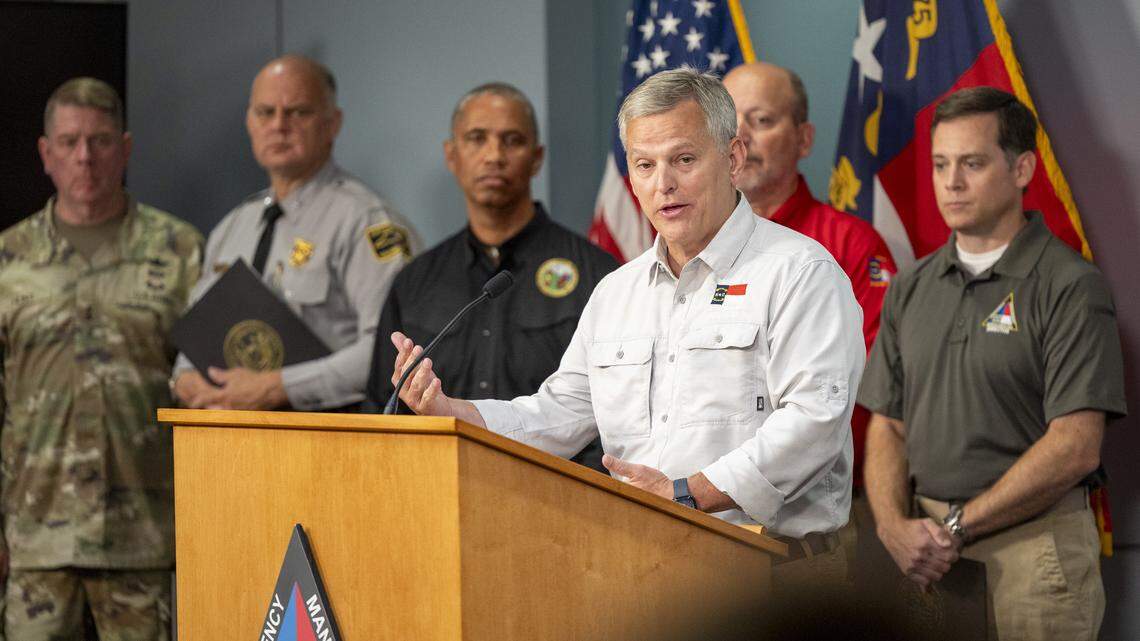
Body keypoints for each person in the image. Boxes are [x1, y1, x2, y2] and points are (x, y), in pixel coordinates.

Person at [388, 68, 865, 587]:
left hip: (777, 579)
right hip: (643, 573)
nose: (664, 184)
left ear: (732, 159)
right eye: (645, 164)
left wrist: (686, 494)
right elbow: (557, 413)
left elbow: (815, 422)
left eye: (684, 159)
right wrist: (449, 411)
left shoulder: (799, 272)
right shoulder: (616, 293)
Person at [858, 87, 1126, 641]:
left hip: (1032, 556)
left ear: (1023, 167)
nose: (951, 182)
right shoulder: (911, 286)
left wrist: (956, 527)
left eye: (972, 163)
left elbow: (1076, 445)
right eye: (940, 164)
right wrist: (891, 527)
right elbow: (887, 424)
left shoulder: (1071, 286)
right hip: (924, 558)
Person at [0, 77, 202, 639]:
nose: (84, 157)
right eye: (68, 142)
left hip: (145, 535)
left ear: (127, 148)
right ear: (46, 153)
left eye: (101, 140)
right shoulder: (7, 259)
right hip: (35, 536)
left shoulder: (182, 251)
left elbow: (209, 390)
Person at [364, 83, 617, 472]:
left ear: (536, 158)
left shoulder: (598, 276)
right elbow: (380, 409)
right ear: (452, 155)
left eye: (511, 141)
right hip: (436, 490)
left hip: (558, 500)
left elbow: (613, 417)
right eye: (477, 139)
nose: (494, 155)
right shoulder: (415, 282)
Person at [171, 55, 419, 411]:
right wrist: (184, 378)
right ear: (250, 122)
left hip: (326, 435)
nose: (279, 126)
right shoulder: (232, 227)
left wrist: (278, 387)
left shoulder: (365, 220)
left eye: (298, 112)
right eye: (265, 112)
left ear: (332, 124)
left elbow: (389, 351)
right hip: (228, 445)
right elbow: (197, 338)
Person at [723, 62, 896, 498]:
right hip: (704, 503)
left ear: (803, 139)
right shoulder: (691, 247)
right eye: (729, 122)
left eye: (761, 121)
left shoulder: (852, 245)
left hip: (820, 501)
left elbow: (872, 384)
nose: (741, 137)